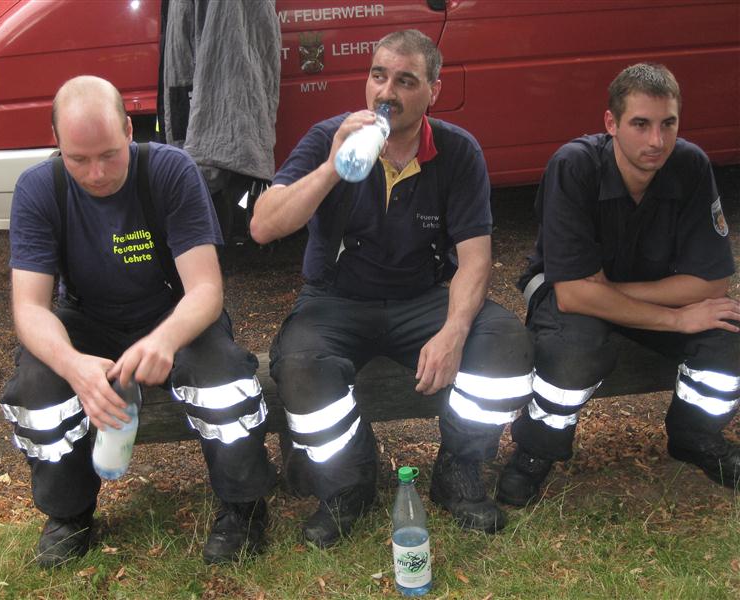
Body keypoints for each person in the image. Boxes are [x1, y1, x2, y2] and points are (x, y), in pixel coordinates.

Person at [250, 30, 534, 548]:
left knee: (505, 346)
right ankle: (350, 483)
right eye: (379, 75)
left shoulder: (456, 150)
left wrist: (452, 331)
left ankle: (458, 470)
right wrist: (332, 167)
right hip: (336, 299)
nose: (387, 92)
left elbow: (475, 259)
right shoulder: (330, 137)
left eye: (406, 81)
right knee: (299, 366)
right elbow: (264, 226)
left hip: (421, 296)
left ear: (433, 91)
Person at [0, 76, 276, 567]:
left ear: (130, 129)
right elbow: (30, 308)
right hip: (86, 319)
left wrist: (165, 340)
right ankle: (70, 514)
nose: (97, 173)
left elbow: (206, 290)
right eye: (78, 159)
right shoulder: (39, 189)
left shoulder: (169, 170)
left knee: (222, 380)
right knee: (37, 389)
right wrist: (74, 365)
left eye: (109, 153)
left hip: (173, 313)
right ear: (57, 145)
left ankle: (243, 506)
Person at [497, 63, 740, 507]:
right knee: (573, 355)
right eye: (640, 124)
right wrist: (675, 317)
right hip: (564, 291)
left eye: (668, 124)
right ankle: (535, 450)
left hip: (626, 288)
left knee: (728, 336)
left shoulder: (690, 165)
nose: (656, 141)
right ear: (611, 123)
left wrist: (609, 291)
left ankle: (694, 436)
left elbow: (713, 280)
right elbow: (571, 294)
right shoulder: (574, 165)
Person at [161, 0, 280, 244]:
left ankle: (210, 252)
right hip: (209, 94)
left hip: (215, 97)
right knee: (206, 175)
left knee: (207, 176)